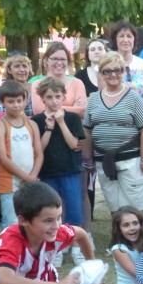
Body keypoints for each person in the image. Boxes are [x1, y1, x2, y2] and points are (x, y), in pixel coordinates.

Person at [82, 52, 143, 215]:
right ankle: (119, 233)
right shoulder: (94, 99)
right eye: (107, 71)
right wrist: (88, 159)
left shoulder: (134, 98)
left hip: (132, 162)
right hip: (103, 161)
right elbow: (87, 130)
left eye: (117, 70)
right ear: (101, 74)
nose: (113, 74)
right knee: (115, 210)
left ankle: (138, 233)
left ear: (124, 72)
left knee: (135, 210)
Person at [32, 77, 86, 231]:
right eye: (49, 97)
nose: (54, 101)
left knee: (74, 210)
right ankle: (54, 241)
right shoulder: (36, 120)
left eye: (57, 96)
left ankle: (74, 240)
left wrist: (61, 122)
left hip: (70, 170)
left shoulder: (72, 118)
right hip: (47, 172)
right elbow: (38, 149)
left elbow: (73, 144)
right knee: (50, 211)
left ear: (63, 96)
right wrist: (49, 128)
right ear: (42, 98)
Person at [0, 81, 43, 228]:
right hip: (9, 183)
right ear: (2, 102)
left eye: (19, 101)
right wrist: (27, 178)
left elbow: (39, 154)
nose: (16, 105)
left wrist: (32, 176)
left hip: (31, 181)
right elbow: (3, 158)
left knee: (32, 221)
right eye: (10, 101)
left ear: (25, 100)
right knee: (11, 222)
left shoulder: (32, 124)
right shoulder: (0, 126)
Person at [30, 43, 87, 117]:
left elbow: (83, 111)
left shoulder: (77, 83)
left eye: (63, 59)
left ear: (68, 62)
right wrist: (74, 109)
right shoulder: (37, 84)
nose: (59, 63)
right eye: (55, 59)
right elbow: (39, 111)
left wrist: (50, 108)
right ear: (46, 60)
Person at [110, 20, 143, 110]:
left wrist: (141, 117)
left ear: (134, 39)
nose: (125, 40)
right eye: (121, 36)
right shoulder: (104, 66)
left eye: (129, 36)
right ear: (115, 39)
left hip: (142, 116)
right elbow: (103, 98)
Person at [0, 52, 34, 119]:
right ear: (9, 70)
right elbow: (0, 116)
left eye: (24, 66)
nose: (22, 70)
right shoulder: (1, 90)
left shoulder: (36, 89)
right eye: (17, 66)